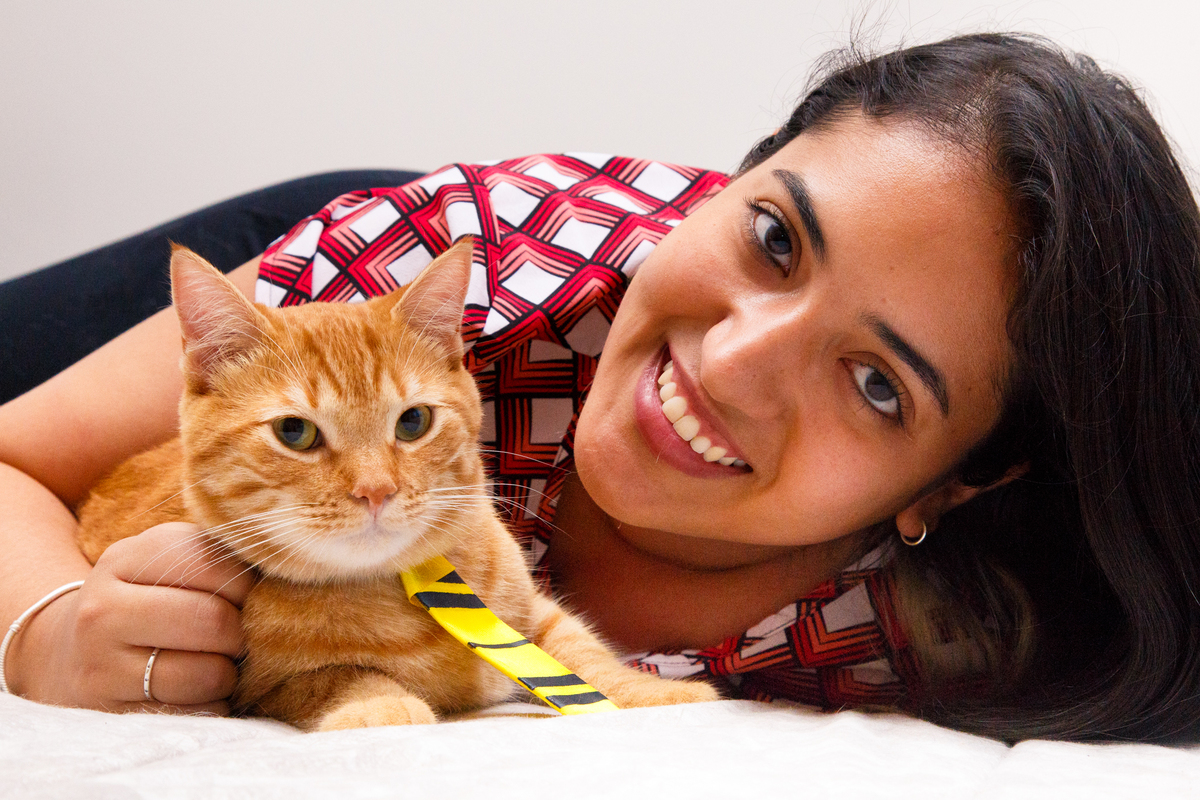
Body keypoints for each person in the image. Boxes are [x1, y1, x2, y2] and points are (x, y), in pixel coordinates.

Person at [2, 32, 1199, 743]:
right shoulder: (483, 254)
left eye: (878, 386)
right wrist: (46, 627)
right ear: (739, 176)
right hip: (347, 302)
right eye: (776, 239)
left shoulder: (964, 626)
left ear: (967, 475)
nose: (727, 365)